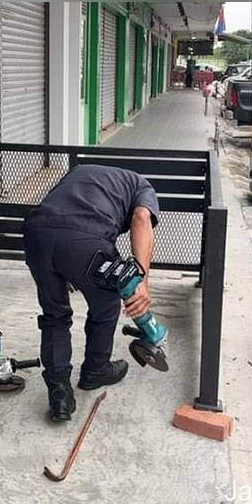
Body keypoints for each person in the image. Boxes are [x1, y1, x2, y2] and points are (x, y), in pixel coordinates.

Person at [22, 165, 160, 421]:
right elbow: (141, 219)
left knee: (54, 314)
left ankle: (60, 393)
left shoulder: (81, 172)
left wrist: (68, 268)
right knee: (106, 304)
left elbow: (60, 212)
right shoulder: (143, 186)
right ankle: (96, 370)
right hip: (86, 236)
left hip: (36, 233)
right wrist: (141, 280)